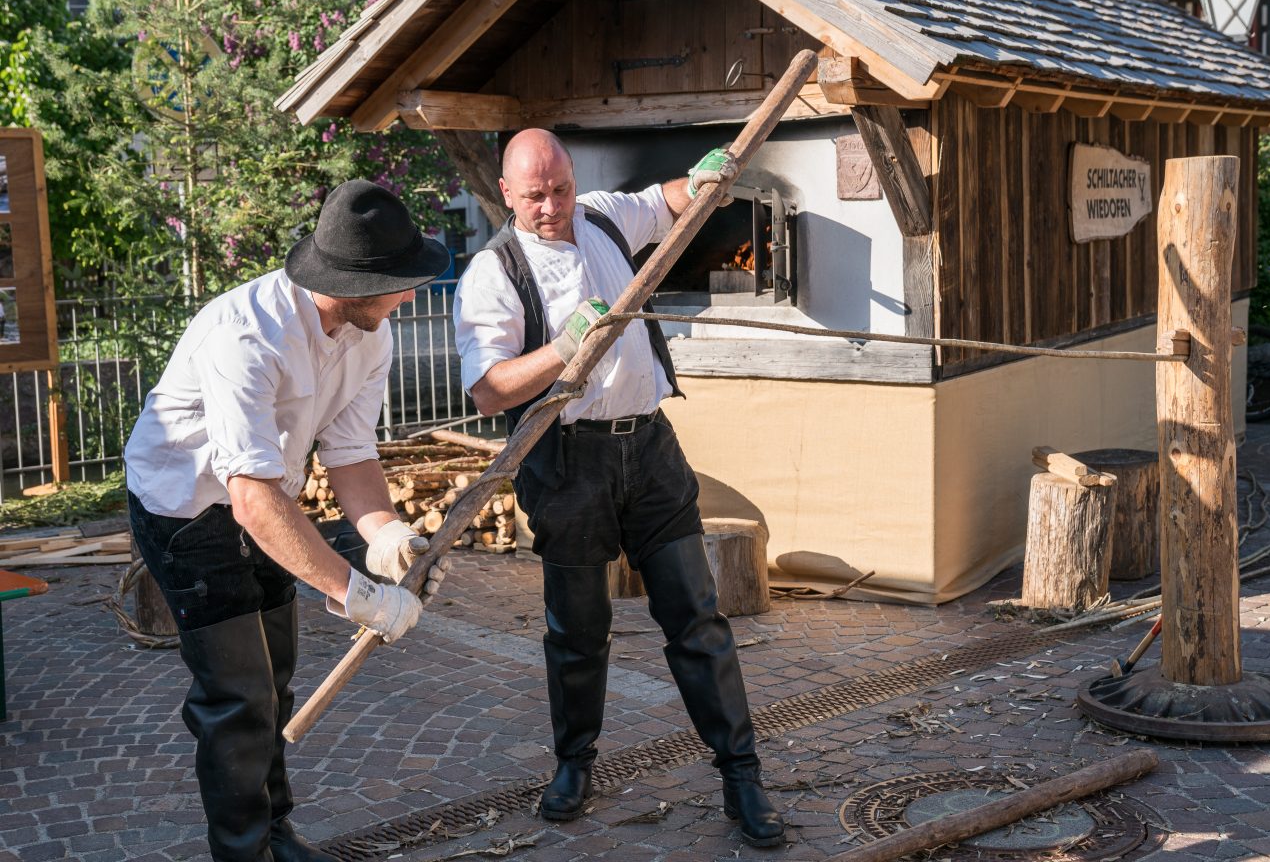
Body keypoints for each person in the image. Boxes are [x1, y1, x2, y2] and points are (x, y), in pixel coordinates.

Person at [453, 129, 786, 848]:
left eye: (561, 189)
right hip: (568, 465)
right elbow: (487, 389)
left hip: (652, 450)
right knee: (577, 633)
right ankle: (574, 766)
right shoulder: (494, 272)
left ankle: (741, 775)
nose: (553, 207)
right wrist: (562, 348)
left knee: (697, 621)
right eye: (536, 196)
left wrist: (700, 180)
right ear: (507, 194)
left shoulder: (602, 214)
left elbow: (665, 203)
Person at [125, 179, 450, 862]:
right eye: (404, 284)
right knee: (237, 696)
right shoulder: (246, 334)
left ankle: (275, 831)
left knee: (274, 678)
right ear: (358, 284)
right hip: (185, 508)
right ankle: (244, 853)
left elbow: (352, 455)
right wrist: (356, 594)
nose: (412, 296)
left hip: (268, 499)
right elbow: (250, 498)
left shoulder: (370, 333)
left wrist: (385, 535)